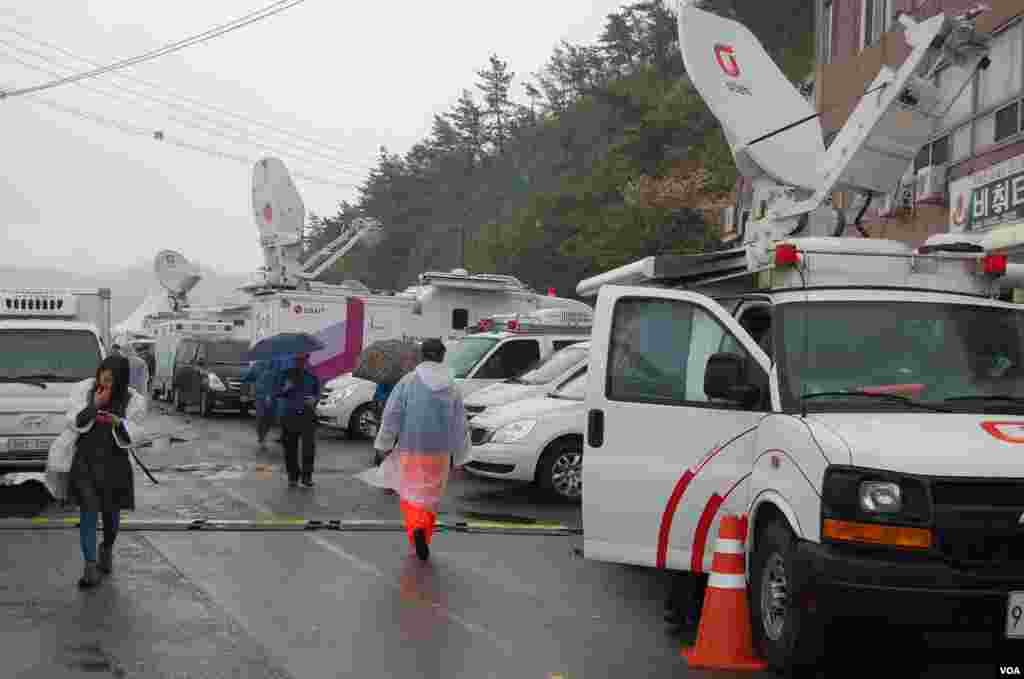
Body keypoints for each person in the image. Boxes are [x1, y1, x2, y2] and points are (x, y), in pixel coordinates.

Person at [362, 338, 470, 561]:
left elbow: (392, 414)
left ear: (422, 356)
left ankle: (416, 531)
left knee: (411, 494)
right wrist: (460, 458)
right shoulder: (452, 386)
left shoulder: (409, 382)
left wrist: (383, 445)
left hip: (411, 448)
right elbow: (460, 424)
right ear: (442, 356)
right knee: (430, 497)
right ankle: (424, 534)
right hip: (440, 453)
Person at [66, 355, 147, 588]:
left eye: (111, 378)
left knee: (111, 518)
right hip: (85, 463)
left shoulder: (134, 400)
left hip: (115, 465)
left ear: (120, 379)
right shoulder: (84, 390)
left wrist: (117, 423)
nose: (104, 380)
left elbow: (136, 433)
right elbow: (74, 422)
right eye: (102, 373)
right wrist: (95, 406)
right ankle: (90, 568)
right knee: (88, 512)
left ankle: (107, 547)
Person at [273, 352, 321, 488]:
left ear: (307, 359)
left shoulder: (312, 376)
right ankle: (293, 476)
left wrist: (315, 399)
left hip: (307, 415)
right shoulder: (285, 374)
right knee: (290, 448)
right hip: (290, 415)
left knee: (309, 448)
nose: (300, 361)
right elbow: (276, 391)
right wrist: (285, 388)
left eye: (303, 359)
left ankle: (307, 477)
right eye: (298, 359)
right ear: (294, 359)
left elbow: (317, 393)